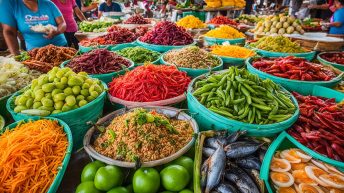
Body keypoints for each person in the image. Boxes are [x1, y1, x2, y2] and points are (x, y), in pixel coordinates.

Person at [0, 0, 67, 55]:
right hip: (35, 52)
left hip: (60, 47)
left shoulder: (48, 3)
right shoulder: (12, 5)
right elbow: (9, 32)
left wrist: (57, 31)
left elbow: (62, 23)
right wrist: (16, 55)